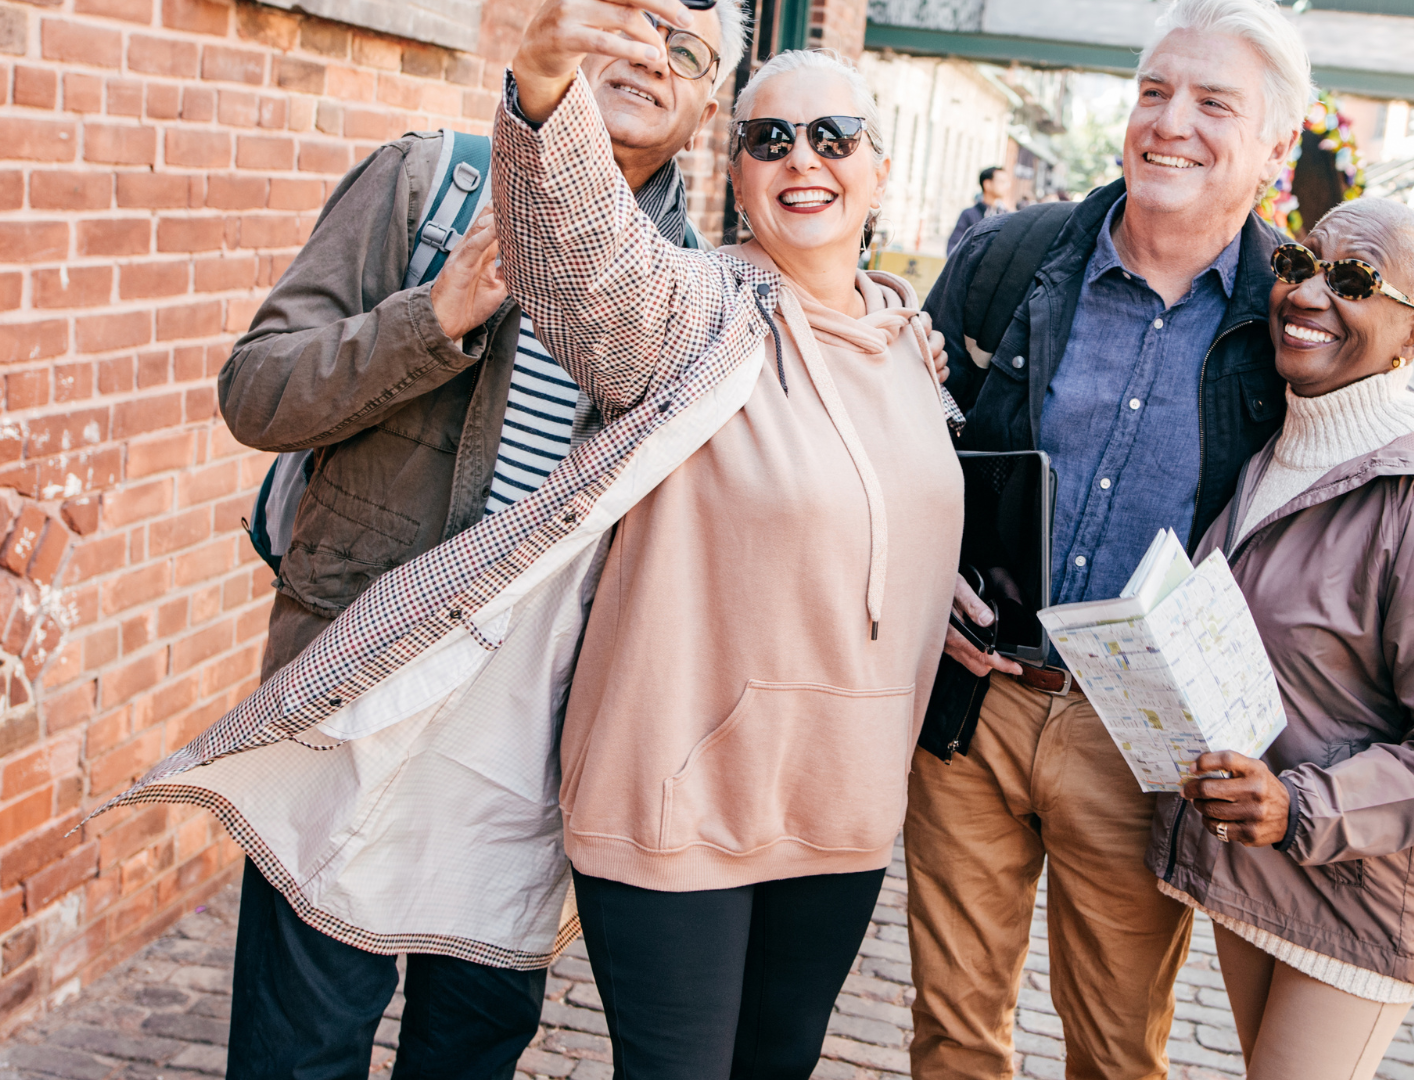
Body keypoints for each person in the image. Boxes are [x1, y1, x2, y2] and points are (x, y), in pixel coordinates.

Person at [908, 1, 1414, 1076]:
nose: (1169, 123)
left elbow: (1395, 432)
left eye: (1212, 103)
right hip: (975, 709)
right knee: (953, 1035)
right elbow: (898, 437)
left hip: (1142, 743)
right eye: (1153, 92)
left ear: (1277, 145)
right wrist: (923, 572)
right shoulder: (1009, 259)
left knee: (1114, 1051)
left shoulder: (1295, 303)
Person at [209, 1, 746, 1074]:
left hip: (526, 753)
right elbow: (256, 394)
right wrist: (431, 317)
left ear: (710, 103)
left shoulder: (703, 304)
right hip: (353, 703)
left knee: (469, 1048)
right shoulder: (430, 184)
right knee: (297, 1043)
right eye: (636, 20)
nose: (652, 55)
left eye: (687, 48)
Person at [500, 8, 965, 1074]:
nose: (803, 160)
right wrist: (542, 82)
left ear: (880, 173)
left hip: (841, 809)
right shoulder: (697, 313)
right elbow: (582, 269)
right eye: (769, 140)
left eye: (833, 137)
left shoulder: (910, 349)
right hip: (680, 808)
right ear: (737, 175)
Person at [1152, 198, 1414, 1080]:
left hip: (1362, 892)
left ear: (1413, 337)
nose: (1310, 293)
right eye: (1297, 264)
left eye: (1356, 280)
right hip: (1262, 868)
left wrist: (1302, 808)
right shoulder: (1268, 448)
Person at [947, 164, 1014, 255]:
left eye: (1007, 182)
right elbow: (953, 246)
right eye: (1002, 182)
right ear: (987, 184)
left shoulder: (1006, 214)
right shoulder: (969, 214)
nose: (1006, 186)